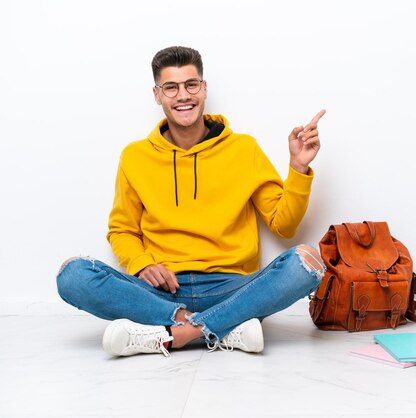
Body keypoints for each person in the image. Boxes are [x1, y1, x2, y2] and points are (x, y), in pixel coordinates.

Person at [56, 46, 326, 357]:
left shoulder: (243, 149)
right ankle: (217, 328)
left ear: (204, 88)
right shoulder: (135, 157)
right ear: (158, 95)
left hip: (231, 289)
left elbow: (285, 225)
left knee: (307, 262)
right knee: (72, 274)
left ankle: (173, 335)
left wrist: (298, 168)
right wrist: (143, 264)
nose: (183, 95)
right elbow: (122, 230)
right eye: (171, 87)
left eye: (191, 84)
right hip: (160, 292)